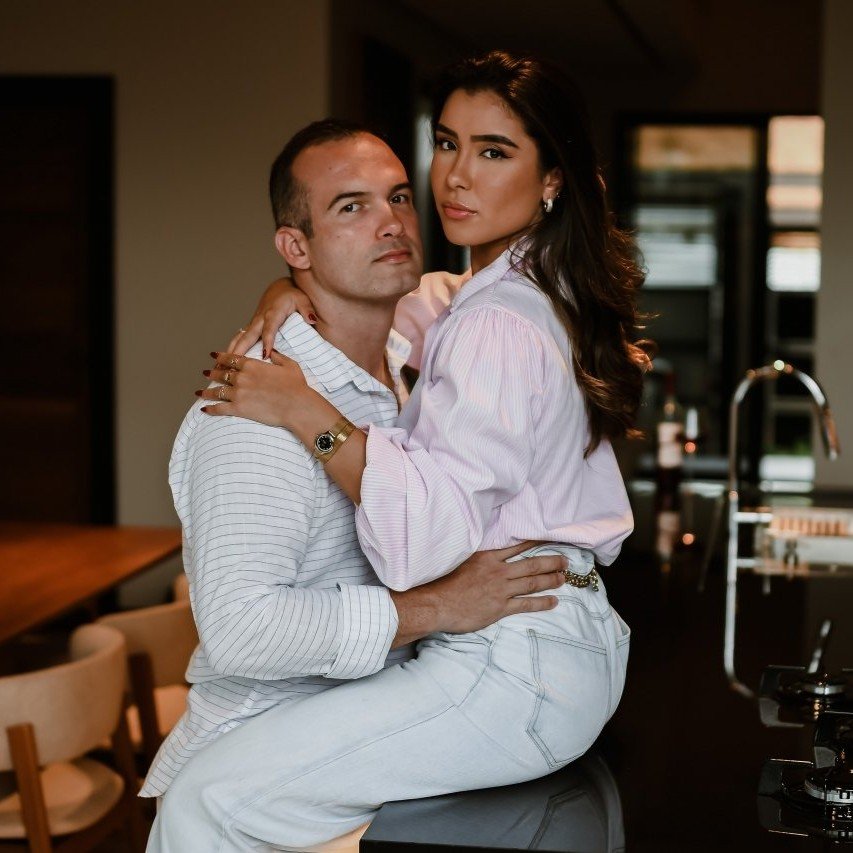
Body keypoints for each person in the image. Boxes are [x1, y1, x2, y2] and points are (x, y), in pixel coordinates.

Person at [150, 50, 649, 852]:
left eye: (493, 151)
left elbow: (422, 544)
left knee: (206, 802)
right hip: (543, 645)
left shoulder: (491, 321)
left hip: (513, 648)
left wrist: (308, 412)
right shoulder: (487, 299)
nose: (454, 177)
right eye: (446, 144)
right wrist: (284, 290)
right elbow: (417, 302)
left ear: (550, 179)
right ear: (296, 242)